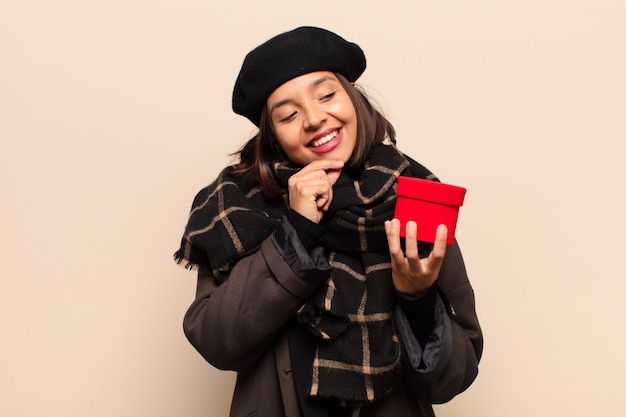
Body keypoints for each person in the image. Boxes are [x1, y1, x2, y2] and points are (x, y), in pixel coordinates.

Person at [174, 26, 482, 417]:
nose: (315, 118)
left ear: (353, 99)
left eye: (327, 95)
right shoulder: (237, 207)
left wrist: (417, 297)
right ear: (272, 135)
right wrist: (297, 231)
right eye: (288, 114)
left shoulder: (411, 197)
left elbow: (452, 379)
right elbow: (216, 342)